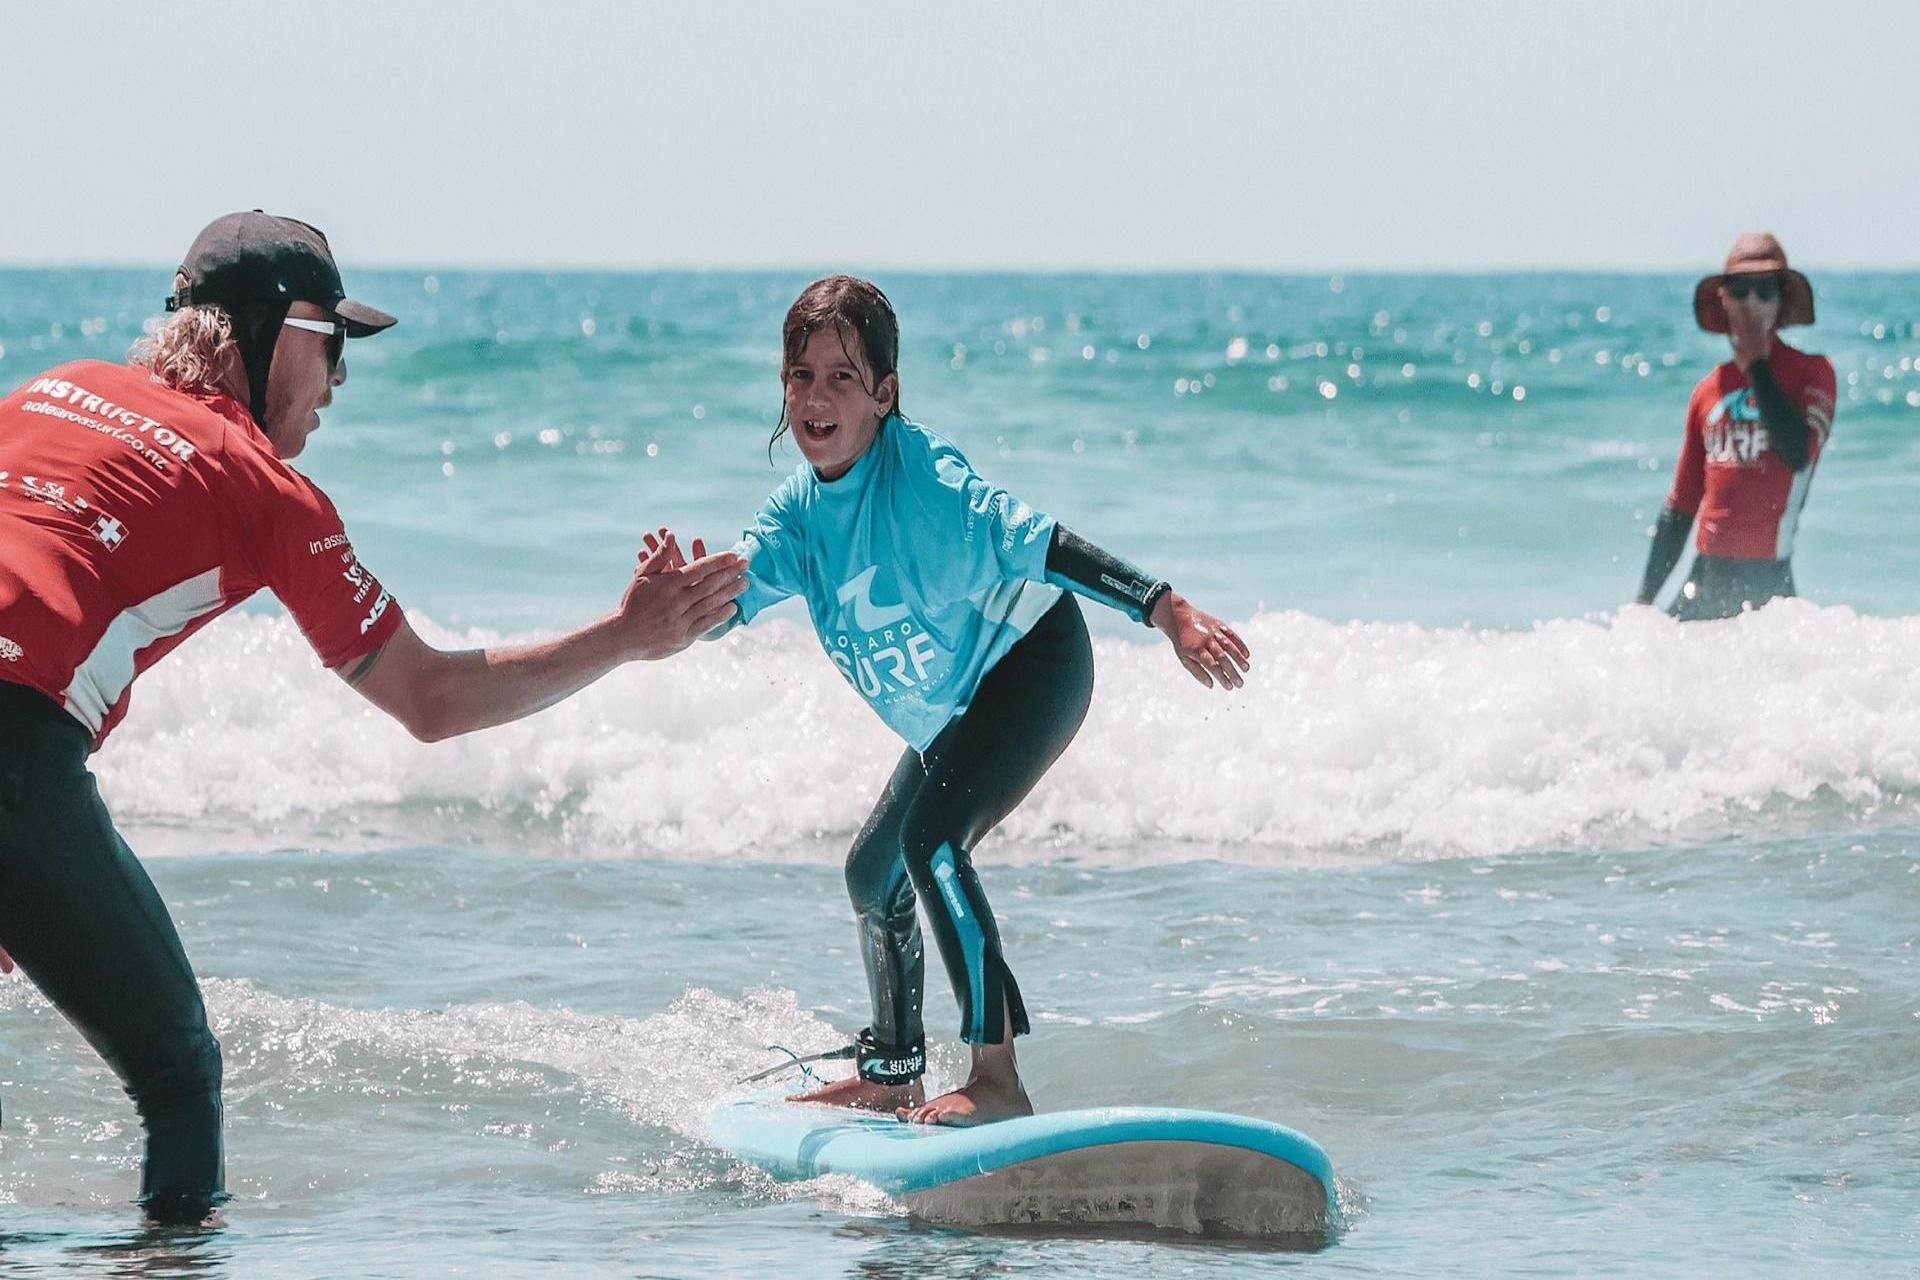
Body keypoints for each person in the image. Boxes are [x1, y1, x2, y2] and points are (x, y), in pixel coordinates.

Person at [0, 211, 745, 1223]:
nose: (342, 379)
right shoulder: (259, 482)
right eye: (334, 343)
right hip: (16, 745)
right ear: (268, 332)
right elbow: (429, 698)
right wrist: (626, 635)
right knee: (178, 1071)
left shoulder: (49, 388)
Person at [697, 275, 1249, 1126]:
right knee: (871, 871)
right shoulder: (797, 519)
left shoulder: (928, 485)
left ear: (885, 393)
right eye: (799, 375)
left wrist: (1163, 609)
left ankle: (997, 1078)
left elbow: (1045, 545)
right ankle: (891, 1073)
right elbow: (723, 605)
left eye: (843, 376)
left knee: (933, 845)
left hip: (1034, 661)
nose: (816, 396)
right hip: (951, 706)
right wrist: (669, 600)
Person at [1636, 232, 1838, 620]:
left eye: (1765, 291)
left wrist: (1758, 365)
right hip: (1704, 578)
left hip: (1769, 585)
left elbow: (1798, 452)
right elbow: (1680, 506)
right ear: (1723, 299)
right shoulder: (1707, 391)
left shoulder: (1814, 374)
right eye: (1741, 290)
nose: (1752, 303)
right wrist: (1642, 604)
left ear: (1781, 300)